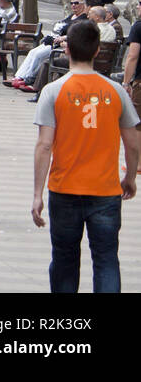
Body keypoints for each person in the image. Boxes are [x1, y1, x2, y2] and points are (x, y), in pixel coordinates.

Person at [33, 20, 140, 292]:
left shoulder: (53, 91)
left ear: (66, 49)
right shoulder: (116, 91)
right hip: (105, 190)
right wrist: (129, 177)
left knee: (65, 259)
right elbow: (133, 142)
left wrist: (37, 194)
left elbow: (44, 146)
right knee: (105, 259)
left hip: (64, 188)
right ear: (97, 51)